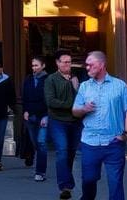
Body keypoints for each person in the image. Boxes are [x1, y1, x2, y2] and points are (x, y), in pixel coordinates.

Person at [72, 51, 127, 200]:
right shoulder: (84, 87)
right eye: (86, 65)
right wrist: (83, 109)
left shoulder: (119, 86)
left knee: (115, 183)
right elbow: (75, 111)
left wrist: (126, 132)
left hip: (114, 141)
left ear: (101, 65)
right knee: (88, 180)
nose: (87, 68)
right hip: (90, 142)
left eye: (90, 64)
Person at [45, 50, 82, 200]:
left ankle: (67, 182)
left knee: (71, 153)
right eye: (64, 62)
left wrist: (75, 87)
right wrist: (72, 105)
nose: (67, 64)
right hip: (58, 121)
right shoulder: (51, 79)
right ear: (57, 63)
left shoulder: (76, 78)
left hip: (75, 122)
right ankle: (65, 186)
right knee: (62, 151)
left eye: (69, 61)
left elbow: (83, 99)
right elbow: (51, 102)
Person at [21, 56, 49, 182]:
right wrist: (25, 111)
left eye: (36, 65)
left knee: (42, 143)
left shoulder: (48, 80)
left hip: (43, 116)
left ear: (43, 66)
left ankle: (40, 172)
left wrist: (47, 115)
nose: (34, 68)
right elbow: (25, 96)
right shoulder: (28, 79)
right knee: (36, 144)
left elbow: (50, 99)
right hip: (30, 116)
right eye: (33, 65)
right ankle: (39, 165)